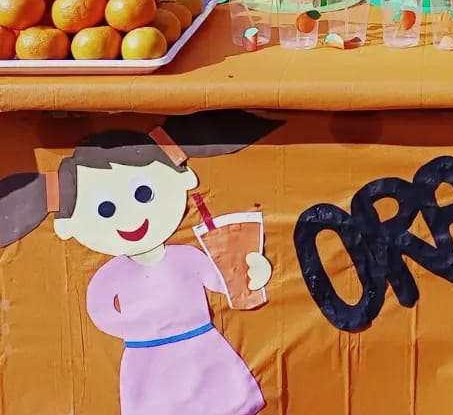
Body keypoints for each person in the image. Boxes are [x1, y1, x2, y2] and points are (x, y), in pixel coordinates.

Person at [0, 109, 281, 415]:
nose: (131, 217)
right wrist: (140, 326)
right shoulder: (113, 274)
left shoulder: (186, 256)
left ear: (183, 179)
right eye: (105, 209)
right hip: (149, 361)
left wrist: (252, 271)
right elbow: (101, 310)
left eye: (144, 193)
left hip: (202, 348)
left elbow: (221, 279)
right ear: (66, 224)